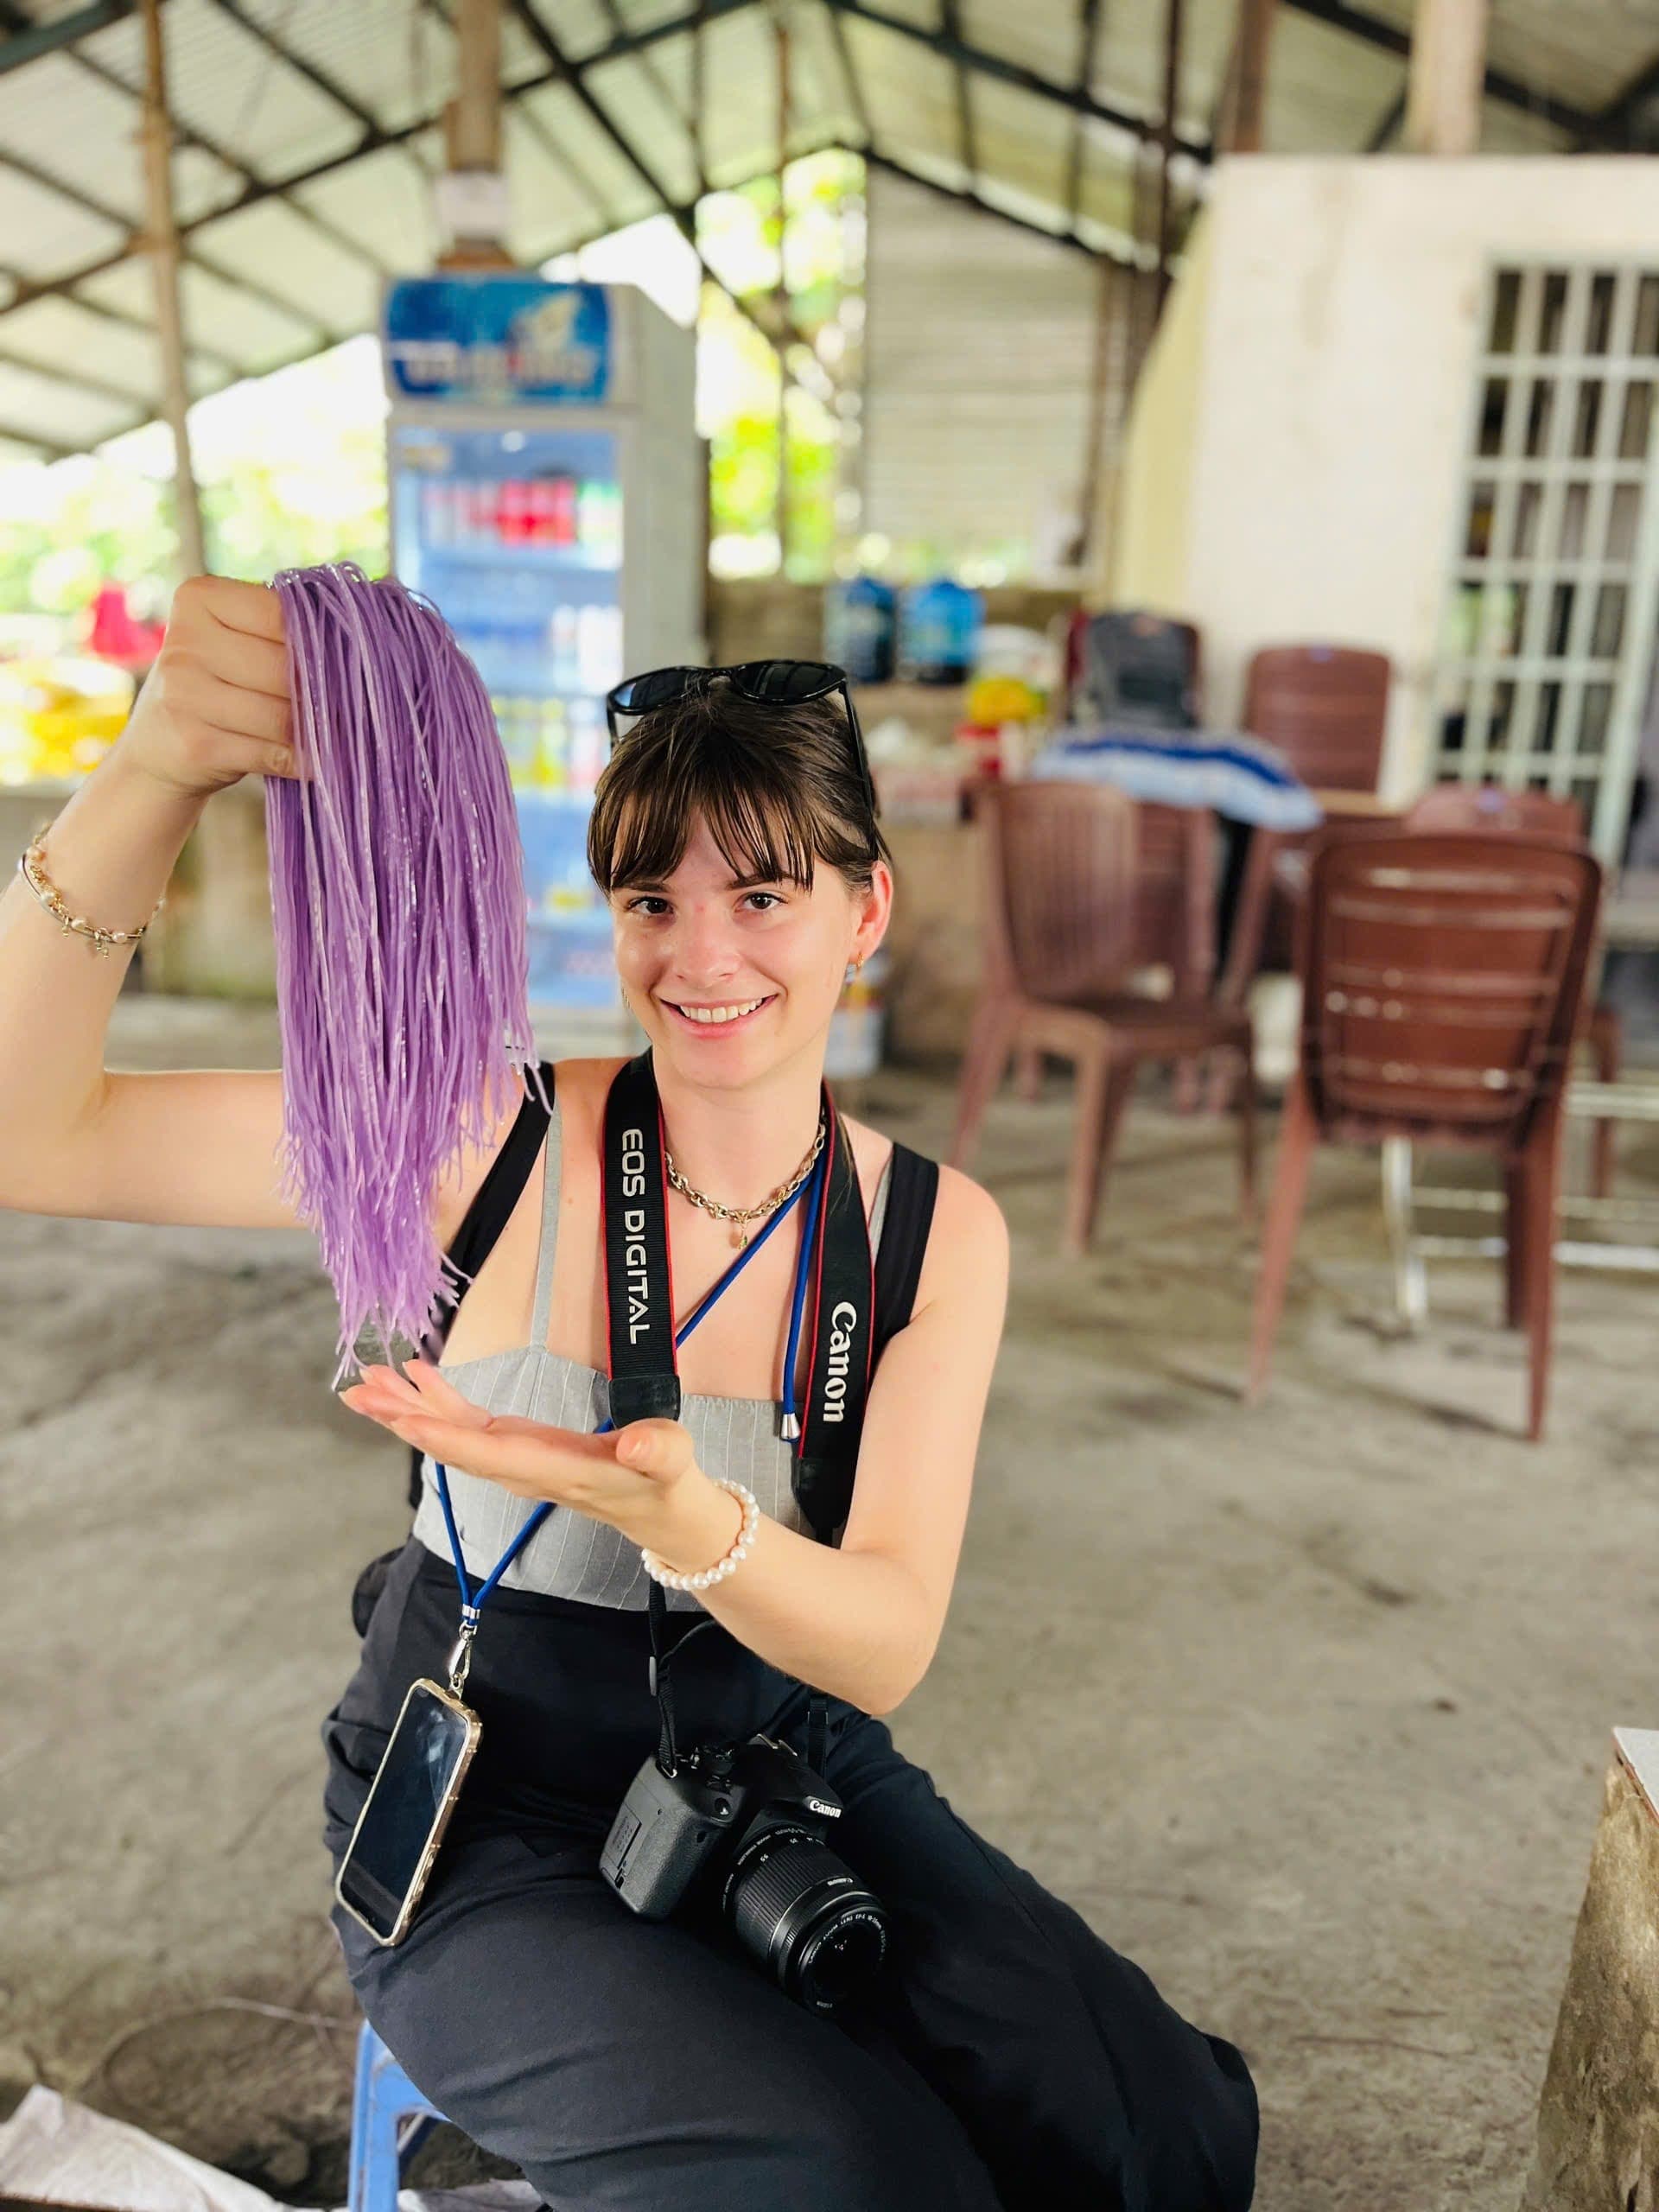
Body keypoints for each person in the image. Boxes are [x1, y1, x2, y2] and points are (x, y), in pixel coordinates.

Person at [0, 575, 1258, 2212]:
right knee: (847, 2177)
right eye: (652, 902)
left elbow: (884, 1639)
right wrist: (158, 767)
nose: (702, 953)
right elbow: (36, 1131)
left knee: (1152, 2129)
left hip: (778, 1758)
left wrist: (689, 1523)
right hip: (486, 1810)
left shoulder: (934, 1237)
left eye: (764, 896)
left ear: (863, 915)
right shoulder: (479, 1140)